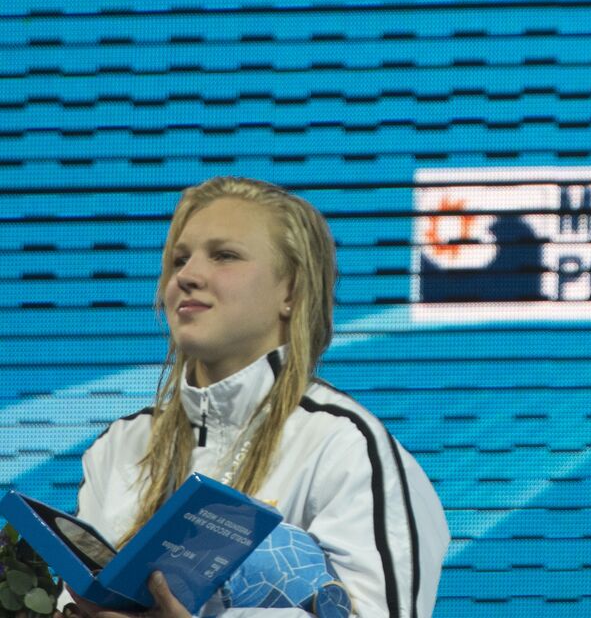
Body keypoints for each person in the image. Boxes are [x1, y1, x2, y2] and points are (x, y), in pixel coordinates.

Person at [67, 177, 449, 618]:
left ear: (290, 290)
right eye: (179, 259)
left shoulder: (345, 449)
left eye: (225, 256)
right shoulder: (119, 447)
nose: (187, 276)